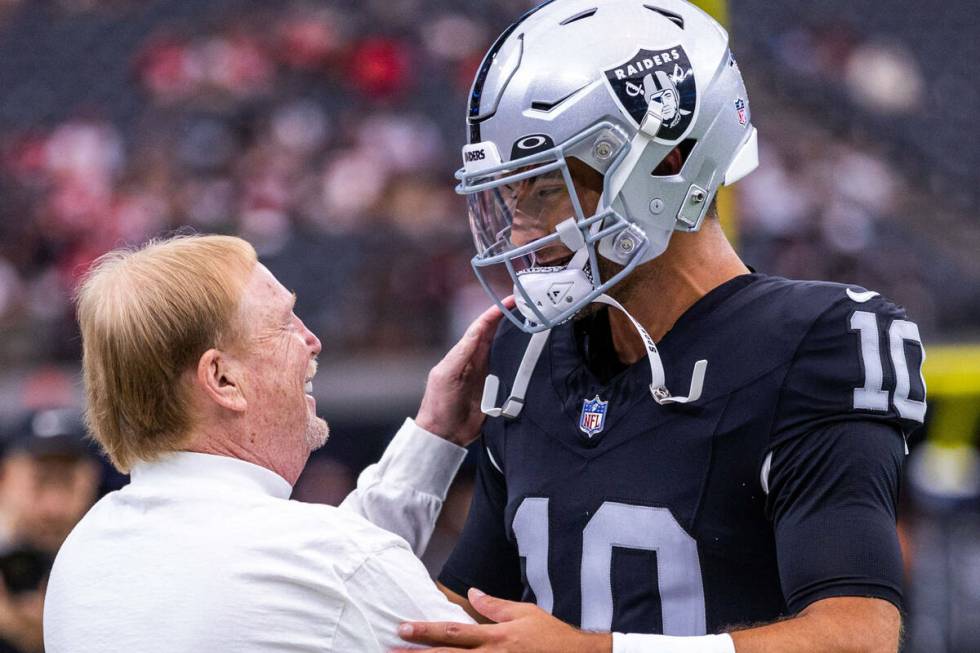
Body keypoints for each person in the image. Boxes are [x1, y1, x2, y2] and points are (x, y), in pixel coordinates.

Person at [396, 1, 926, 652]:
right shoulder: (525, 354)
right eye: (509, 196)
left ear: (665, 167)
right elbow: (470, 614)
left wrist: (602, 650)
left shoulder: (817, 340)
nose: (524, 232)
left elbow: (857, 637)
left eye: (542, 188)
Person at [43, 234, 507, 652]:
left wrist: (432, 436)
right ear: (222, 379)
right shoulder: (328, 560)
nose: (313, 340)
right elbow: (334, 572)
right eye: (284, 323)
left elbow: (314, 579)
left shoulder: (81, 551)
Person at [0, 408, 99, 653]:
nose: (53, 507)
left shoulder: (115, 569)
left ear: (92, 482)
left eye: (68, 482)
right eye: (39, 481)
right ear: (4, 480)